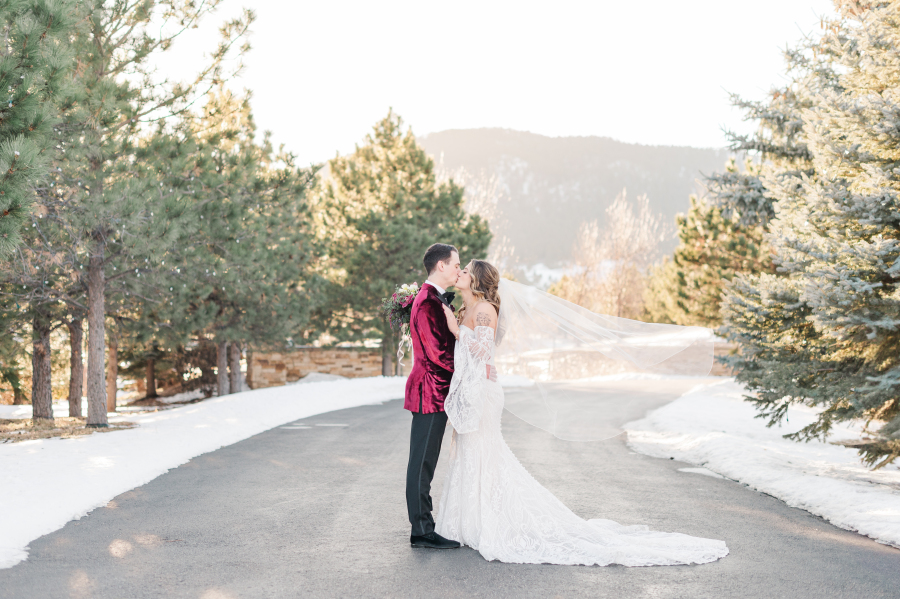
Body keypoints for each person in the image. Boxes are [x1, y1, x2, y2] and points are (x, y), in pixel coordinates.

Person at [434, 259, 729, 566]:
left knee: (484, 454)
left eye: (466, 270)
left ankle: (495, 522)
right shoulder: (466, 309)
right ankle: (470, 522)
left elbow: (483, 353)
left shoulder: (484, 310)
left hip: (483, 393)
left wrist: (457, 331)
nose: (461, 273)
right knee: (470, 453)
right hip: (473, 389)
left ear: (478, 280)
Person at [403, 243, 462, 549]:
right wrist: (467, 371)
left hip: (436, 391)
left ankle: (423, 526)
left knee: (426, 461)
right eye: (455, 264)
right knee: (422, 463)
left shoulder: (433, 299)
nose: (458, 270)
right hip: (429, 391)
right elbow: (438, 354)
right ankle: (422, 531)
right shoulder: (427, 302)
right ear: (441, 265)